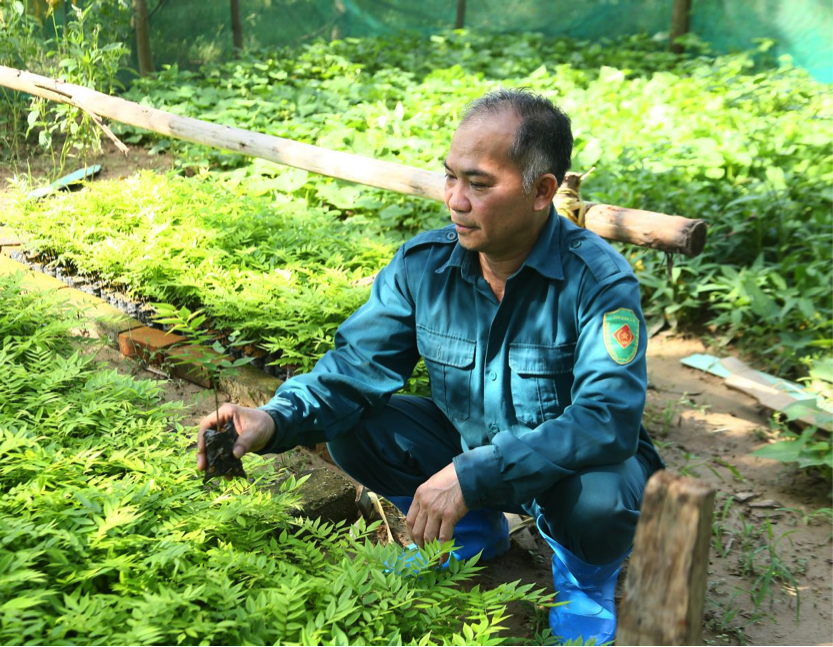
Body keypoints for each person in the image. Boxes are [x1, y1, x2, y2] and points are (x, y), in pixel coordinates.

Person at [198, 88, 664, 645]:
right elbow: (353, 368)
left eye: (479, 184)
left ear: (542, 191)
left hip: (565, 472)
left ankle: (585, 584)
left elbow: (605, 420)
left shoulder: (598, 282)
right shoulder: (426, 266)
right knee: (355, 427)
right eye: (451, 177)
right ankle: (468, 535)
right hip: (470, 449)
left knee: (599, 501)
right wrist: (274, 418)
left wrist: (473, 474)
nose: (455, 200)